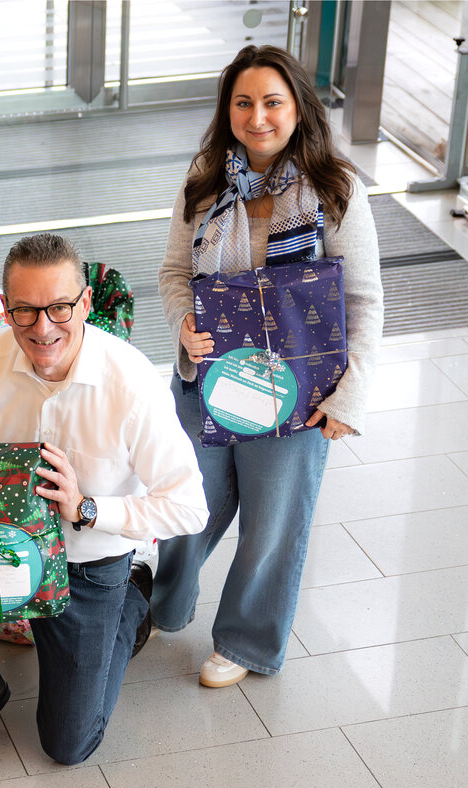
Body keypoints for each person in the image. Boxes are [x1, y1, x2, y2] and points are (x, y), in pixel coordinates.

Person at [0, 233, 209, 768]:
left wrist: (89, 509)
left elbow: (189, 506)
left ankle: (131, 606)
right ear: (6, 309)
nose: (43, 328)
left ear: (84, 303)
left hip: (90, 567)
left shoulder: (132, 384)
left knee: (68, 746)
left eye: (60, 308)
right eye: (26, 311)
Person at [153, 45, 384, 688]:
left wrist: (348, 399)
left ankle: (247, 641)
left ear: (298, 107)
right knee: (185, 503)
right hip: (209, 381)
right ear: (228, 109)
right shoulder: (204, 181)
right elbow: (175, 274)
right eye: (244, 102)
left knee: (273, 522)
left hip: (297, 395)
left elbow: (365, 301)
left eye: (272, 102)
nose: (258, 117)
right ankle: (158, 606)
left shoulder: (334, 188)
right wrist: (184, 327)